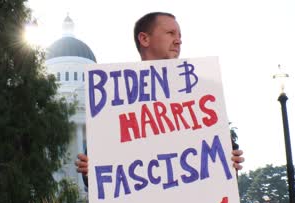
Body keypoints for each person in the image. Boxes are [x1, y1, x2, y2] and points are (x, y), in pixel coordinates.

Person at [75, 12, 244, 181]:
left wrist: (232, 161)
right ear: (144, 39)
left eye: (180, 35)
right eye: (170, 33)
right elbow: (104, 177)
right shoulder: (114, 98)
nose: (178, 40)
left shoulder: (199, 90)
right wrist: (90, 170)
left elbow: (222, 159)